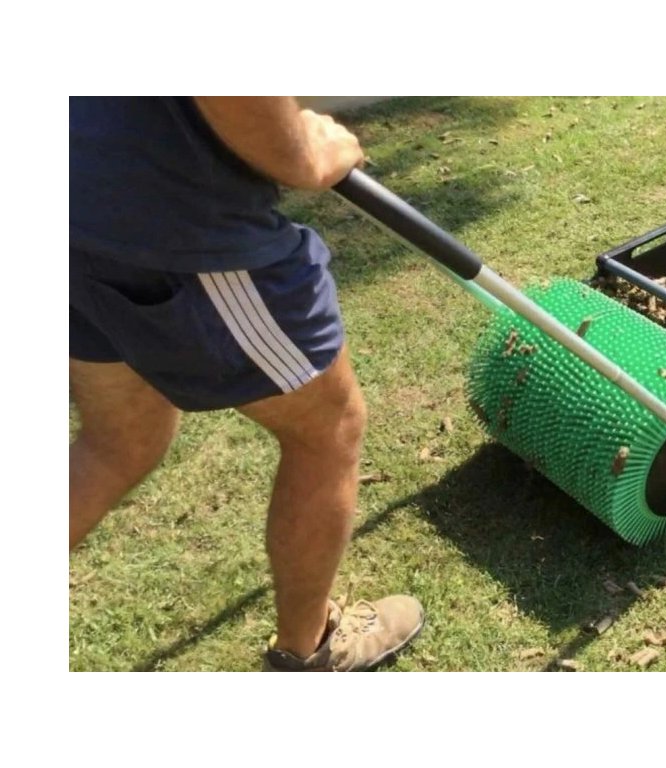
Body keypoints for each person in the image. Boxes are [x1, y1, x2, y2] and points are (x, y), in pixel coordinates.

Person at [69, 96, 424, 671]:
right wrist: (306, 155)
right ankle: (308, 650)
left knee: (117, 442)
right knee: (328, 429)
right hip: (168, 216)